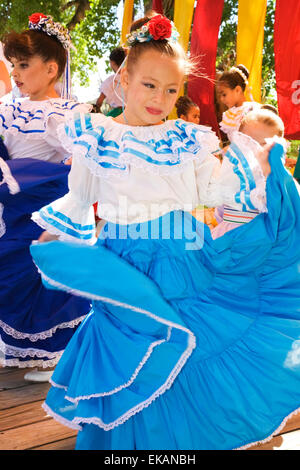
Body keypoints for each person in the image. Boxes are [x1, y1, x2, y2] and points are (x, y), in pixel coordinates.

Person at [30, 14, 300, 450]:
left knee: (191, 342)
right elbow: (80, 200)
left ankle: (182, 444)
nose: (160, 99)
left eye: (171, 90)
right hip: (127, 263)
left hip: (185, 255)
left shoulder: (186, 139)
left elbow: (218, 189)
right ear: (125, 78)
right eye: (149, 85)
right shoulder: (97, 134)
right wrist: (57, 239)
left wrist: (260, 165)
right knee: (138, 348)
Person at [0, 12, 91, 382]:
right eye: (12, 65)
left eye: (23, 65)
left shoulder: (67, 112)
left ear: (51, 69)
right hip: (7, 205)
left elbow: (78, 161)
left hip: (40, 213)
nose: (16, 73)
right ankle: (14, 346)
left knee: (34, 276)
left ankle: (50, 351)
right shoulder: (8, 106)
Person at [212, 108, 285, 239]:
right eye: (250, 144)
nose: (255, 151)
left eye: (263, 146)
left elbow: (220, 210)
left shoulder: (277, 179)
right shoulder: (233, 173)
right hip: (243, 236)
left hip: (240, 235)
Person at [217, 64, 261, 140]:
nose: (221, 99)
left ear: (238, 90)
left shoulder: (250, 110)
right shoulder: (229, 115)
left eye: (224, 94)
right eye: (220, 95)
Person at [95, 47, 126, 117]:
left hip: (116, 114)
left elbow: (98, 103)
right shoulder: (133, 77)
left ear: (112, 62)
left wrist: (100, 115)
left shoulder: (110, 81)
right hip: (133, 114)